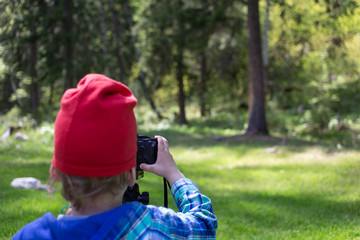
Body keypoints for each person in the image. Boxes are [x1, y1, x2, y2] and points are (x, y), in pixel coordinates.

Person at [12, 74, 218, 240]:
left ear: (54, 172)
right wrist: (174, 175)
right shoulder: (153, 227)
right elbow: (204, 225)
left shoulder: (30, 235)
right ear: (131, 174)